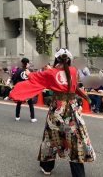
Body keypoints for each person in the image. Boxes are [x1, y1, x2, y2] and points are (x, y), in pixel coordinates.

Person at [9, 49, 95, 177]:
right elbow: (72, 84)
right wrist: (86, 98)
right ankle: (78, 173)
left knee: (51, 137)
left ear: (56, 60)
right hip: (72, 109)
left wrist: (28, 72)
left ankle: (47, 167)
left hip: (57, 109)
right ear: (69, 60)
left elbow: (36, 77)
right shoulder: (73, 71)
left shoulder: (50, 73)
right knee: (75, 138)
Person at [12, 58, 37, 122]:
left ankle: (17, 117)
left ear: (22, 63)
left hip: (21, 89)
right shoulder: (30, 71)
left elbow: (14, 78)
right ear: (27, 63)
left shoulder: (18, 70)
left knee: (19, 103)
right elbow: (33, 79)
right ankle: (32, 118)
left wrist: (16, 84)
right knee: (30, 104)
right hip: (28, 89)